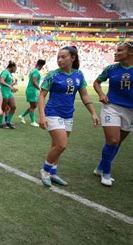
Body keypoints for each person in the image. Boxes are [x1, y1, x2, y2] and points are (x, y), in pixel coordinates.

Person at [38, 46, 99, 187]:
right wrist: (42, 115)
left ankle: (53, 172)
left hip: (68, 114)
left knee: (55, 145)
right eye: (58, 57)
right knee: (62, 145)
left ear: (73, 58)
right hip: (53, 113)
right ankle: (45, 170)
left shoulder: (79, 74)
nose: (59, 60)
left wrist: (93, 112)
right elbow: (42, 95)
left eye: (63, 57)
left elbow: (84, 94)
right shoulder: (52, 75)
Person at [93, 41, 133, 187]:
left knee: (117, 142)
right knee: (113, 140)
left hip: (130, 111)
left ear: (130, 52)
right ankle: (106, 173)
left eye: (120, 50)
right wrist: (101, 93)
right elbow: (97, 82)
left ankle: (100, 167)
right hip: (111, 107)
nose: (116, 53)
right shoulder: (111, 68)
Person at [19, 59, 46, 127]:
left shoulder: (33, 71)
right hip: (32, 91)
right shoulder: (36, 72)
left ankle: (22, 115)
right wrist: (39, 89)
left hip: (31, 90)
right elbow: (34, 81)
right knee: (33, 106)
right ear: (41, 65)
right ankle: (33, 121)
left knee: (33, 106)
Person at [0, 61, 18, 129]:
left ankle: (8, 122)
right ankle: (0, 124)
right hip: (3, 93)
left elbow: (7, 83)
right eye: (15, 68)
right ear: (12, 67)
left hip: (9, 93)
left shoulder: (9, 73)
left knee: (13, 106)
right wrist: (10, 87)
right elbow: (1, 81)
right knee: (3, 108)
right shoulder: (5, 72)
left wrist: (13, 85)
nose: (15, 70)